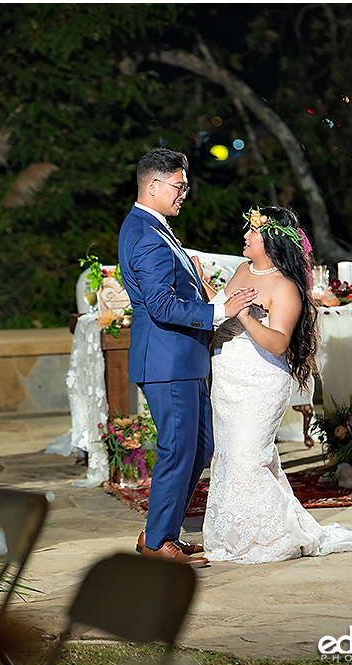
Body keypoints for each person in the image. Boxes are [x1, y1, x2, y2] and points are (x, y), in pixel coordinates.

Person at [199, 206, 352, 563]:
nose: (244, 236)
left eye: (252, 232)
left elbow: (277, 343)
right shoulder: (243, 270)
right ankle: (235, 534)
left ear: (271, 241)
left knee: (248, 457)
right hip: (228, 379)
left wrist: (242, 313)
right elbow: (223, 308)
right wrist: (208, 289)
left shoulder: (285, 287)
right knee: (230, 457)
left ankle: (270, 538)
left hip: (259, 381)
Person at [117, 148, 257, 566]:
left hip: (181, 358)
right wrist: (220, 311)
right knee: (179, 449)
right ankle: (158, 541)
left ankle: (163, 532)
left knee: (200, 445)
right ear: (154, 186)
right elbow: (161, 305)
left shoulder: (155, 228)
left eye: (185, 186)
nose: (184, 194)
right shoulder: (145, 234)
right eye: (179, 186)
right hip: (167, 360)